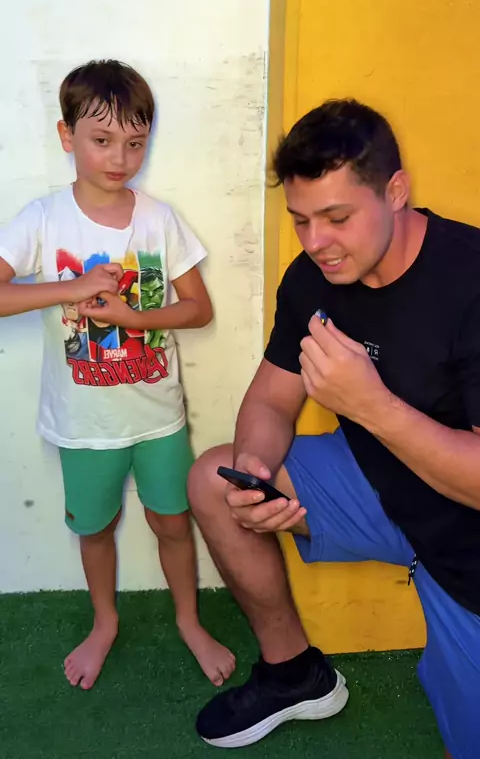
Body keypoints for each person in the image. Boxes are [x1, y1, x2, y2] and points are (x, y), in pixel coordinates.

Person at [188, 99, 480, 759]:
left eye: (337, 218)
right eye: (301, 220)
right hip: (379, 487)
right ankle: (294, 675)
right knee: (214, 479)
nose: (315, 241)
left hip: (469, 538)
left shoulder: (470, 282)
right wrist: (255, 474)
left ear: (396, 192)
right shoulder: (314, 278)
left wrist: (371, 405)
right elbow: (271, 399)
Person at [0, 59, 235, 690]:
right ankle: (105, 621)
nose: (120, 157)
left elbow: (198, 308)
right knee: (96, 528)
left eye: (135, 142)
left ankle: (188, 619)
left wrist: (135, 316)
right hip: (85, 423)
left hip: (158, 417)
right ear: (65, 134)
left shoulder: (159, 219)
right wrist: (70, 287)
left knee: (172, 522)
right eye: (101, 140)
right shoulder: (43, 219)